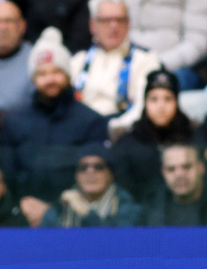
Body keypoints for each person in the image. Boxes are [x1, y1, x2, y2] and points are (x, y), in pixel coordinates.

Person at [0, 27, 109, 226]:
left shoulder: (91, 121)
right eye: (42, 73)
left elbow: (93, 177)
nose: (50, 79)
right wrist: (20, 205)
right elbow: (7, 175)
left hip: (75, 219)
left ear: (68, 75)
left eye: (56, 72)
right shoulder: (15, 122)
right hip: (23, 216)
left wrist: (53, 211)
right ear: (33, 79)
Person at [71, 0, 161, 139]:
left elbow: (143, 107)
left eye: (120, 20)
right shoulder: (77, 61)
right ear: (93, 25)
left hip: (123, 133)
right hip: (81, 133)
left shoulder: (146, 60)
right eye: (106, 20)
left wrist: (116, 128)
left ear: (129, 24)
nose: (114, 26)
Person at [110, 69, 194, 205]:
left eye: (168, 99)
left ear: (177, 102)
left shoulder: (194, 137)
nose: (161, 107)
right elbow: (123, 192)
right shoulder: (127, 143)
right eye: (153, 99)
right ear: (145, 103)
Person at [40, 144, 141, 227]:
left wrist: (85, 212)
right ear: (76, 175)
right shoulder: (60, 209)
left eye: (99, 167)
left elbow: (114, 242)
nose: (90, 172)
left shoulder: (128, 208)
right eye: (83, 167)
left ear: (110, 174)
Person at [125, 0, 207, 90]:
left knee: (160, 86)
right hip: (126, 58)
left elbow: (198, 41)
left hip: (176, 65)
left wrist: (159, 63)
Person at [145, 143, 207, 226]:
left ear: (201, 168)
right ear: (163, 173)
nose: (179, 175)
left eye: (187, 167)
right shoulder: (149, 211)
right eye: (171, 169)